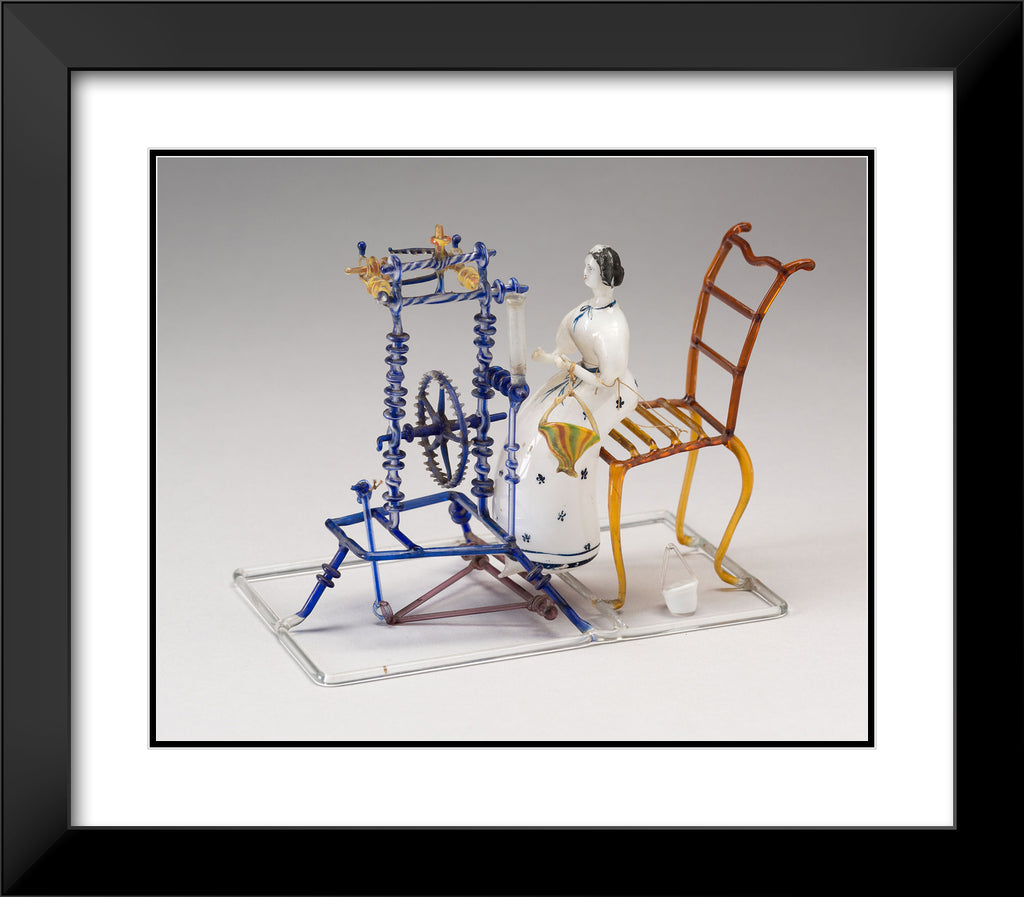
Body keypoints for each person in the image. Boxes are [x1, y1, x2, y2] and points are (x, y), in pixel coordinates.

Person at [493, 245, 639, 569]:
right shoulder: (586, 310)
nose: (584, 273)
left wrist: (570, 368)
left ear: (604, 275)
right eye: (585, 266)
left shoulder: (614, 324)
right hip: (576, 379)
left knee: (555, 444)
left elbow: (607, 379)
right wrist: (554, 358)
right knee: (529, 422)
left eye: (590, 268)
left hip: (607, 390)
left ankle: (560, 540)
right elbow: (567, 344)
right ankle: (516, 531)